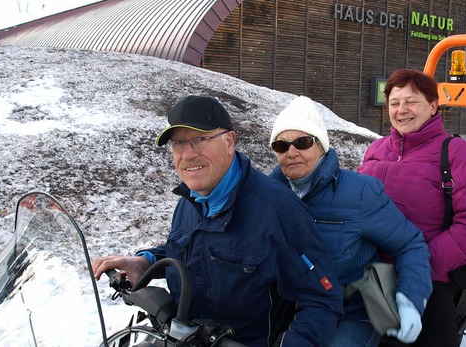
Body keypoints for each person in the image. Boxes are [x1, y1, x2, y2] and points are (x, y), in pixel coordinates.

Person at [92, 95, 344, 347]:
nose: (188, 154)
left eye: (200, 139)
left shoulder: (279, 211)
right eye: (178, 142)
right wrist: (146, 262)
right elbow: (199, 248)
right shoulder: (190, 199)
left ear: (229, 141)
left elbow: (322, 300)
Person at [268, 96, 432, 347]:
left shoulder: (359, 193)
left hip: (352, 312)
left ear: (321, 146)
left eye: (302, 142)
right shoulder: (270, 195)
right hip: (296, 307)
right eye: (281, 145)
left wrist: (410, 299)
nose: (291, 152)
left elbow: (410, 244)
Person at [357, 69, 466, 347]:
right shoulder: (376, 150)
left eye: (412, 101)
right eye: (395, 103)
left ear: (433, 106)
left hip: (430, 281)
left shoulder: (457, 153)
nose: (402, 110)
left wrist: (417, 267)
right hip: (371, 279)